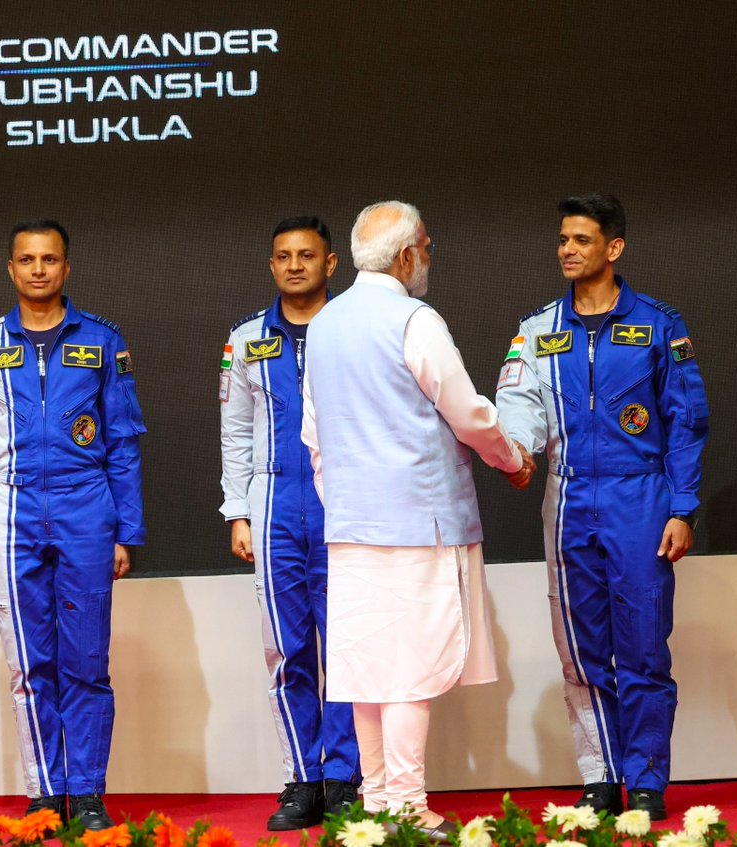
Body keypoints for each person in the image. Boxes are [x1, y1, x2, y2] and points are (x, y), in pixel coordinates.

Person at [301, 201, 530, 839]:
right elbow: (467, 411)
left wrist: (340, 500)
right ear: (406, 256)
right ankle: (402, 801)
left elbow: (313, 435)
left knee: (368, 668)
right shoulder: (414, 317)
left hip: (351, 524)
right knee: (409, 667)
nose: (428, 257)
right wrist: (511, 458)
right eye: (425, 246)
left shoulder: (324, 323)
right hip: (418, 521)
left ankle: (378, 799)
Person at [496, 194, 709, 821]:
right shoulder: (537, 328)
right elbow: (519, 405)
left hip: (640, 497)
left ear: (613, 249)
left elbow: (688, 422)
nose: (567, 250)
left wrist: (683, 507)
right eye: (563, 239)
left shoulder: (660, 325)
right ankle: (601, 775)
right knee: (582, 650)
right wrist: (517, 453)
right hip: (565, 498)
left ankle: (645, 780)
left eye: (581, 240)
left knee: (643, 648)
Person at [0, 220, 146, 831]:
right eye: (26, 260)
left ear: (67, 268)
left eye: (50, 259)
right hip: (10, 509)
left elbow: (122, 442)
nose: (38, 270)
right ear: (10, 269)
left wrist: (124, 532)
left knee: (87, 658)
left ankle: (86, 789)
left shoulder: (103, 342)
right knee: (28, 662)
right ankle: (44, 791)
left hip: (86, 507)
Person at [219, 217, 361, 829]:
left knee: (351, 648)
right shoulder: (246, 339)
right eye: (283, 256)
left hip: (347, 503)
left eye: (308, 255)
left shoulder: (356, 329)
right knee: (290, 649)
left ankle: (345, 776)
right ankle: (301, 778)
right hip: (275, 503)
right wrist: (239, 512)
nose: (295, 265)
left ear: (332, 264)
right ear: (271, 265)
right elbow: (236, 432)